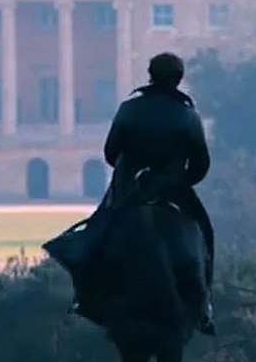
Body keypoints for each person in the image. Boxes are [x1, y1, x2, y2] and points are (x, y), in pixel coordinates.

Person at [43, 52, 217, 336]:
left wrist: (131, 175)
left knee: (96, 234)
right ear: (178, 79)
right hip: (171, 189)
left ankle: (83, 297)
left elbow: (111, 152)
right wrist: (179, 180)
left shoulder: (129, 108)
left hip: (128, 190)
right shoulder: (188, 115)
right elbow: (200, 165)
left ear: (150, 75)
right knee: (205, 234)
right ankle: (204, 307)